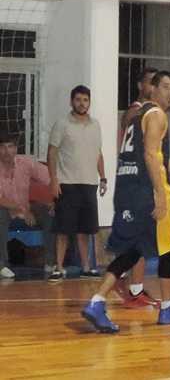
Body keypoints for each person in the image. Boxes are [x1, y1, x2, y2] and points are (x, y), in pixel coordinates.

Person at [81, 71, 170, 333]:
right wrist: (159, 195)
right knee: (167, 250)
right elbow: (151, 156)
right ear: (152, 89)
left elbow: (161, 158)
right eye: (165, 86)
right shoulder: (156, 115)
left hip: (127, 190)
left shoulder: (137, 115)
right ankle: (167, 308)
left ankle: (98, 301)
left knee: (134, 251)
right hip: (147, 191)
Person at [47, 85, 106, 282]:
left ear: (89, 102)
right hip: (67, 184)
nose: (82, 103)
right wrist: (54, 180)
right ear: (72, 101)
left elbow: (98, 154)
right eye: (78, 99)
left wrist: (103, 178)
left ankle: (86, 268)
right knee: (63, 230)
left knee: (85, 230)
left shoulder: (96, 125)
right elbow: (52, 153)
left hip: (89, 184)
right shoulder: (62, 124)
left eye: (85, 100)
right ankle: (58, 268)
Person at [113, 67, 160, 308]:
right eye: (151, 82)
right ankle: (121, 283)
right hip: (133, 183)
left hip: (134, 182)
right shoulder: (137, 110)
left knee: (138, 241)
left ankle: (133, 288)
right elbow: (129, 121)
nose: (155, 87)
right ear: (141, 86)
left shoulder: (147, 112)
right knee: (137, 240)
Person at [0, 131, 55, 278]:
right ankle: (2, 265)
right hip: (6, 210)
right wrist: (23, 211)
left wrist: (55, 201)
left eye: (10, 146)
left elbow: (51, 179)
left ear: (16, 148)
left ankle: (50, 262)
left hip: (26, 207)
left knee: (49, 212)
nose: (7, 151)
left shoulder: (26, 162)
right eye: (3, 147)